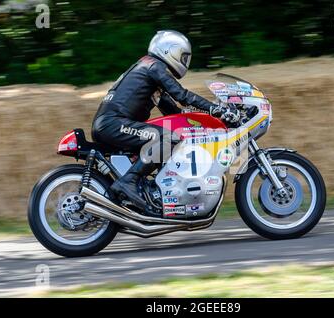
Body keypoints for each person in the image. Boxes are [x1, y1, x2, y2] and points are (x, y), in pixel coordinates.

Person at [92, 30, 239, 212]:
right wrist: (216, 109)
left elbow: (174, 110)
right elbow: (182, 95)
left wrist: (204, 119)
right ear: (170, 50)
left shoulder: (149, 71)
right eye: (183, 56)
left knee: (172, 137)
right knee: (167, 139)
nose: (185, 61)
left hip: (113, 123)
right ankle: (128, 182)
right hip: (113, 124)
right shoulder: (154, 66)